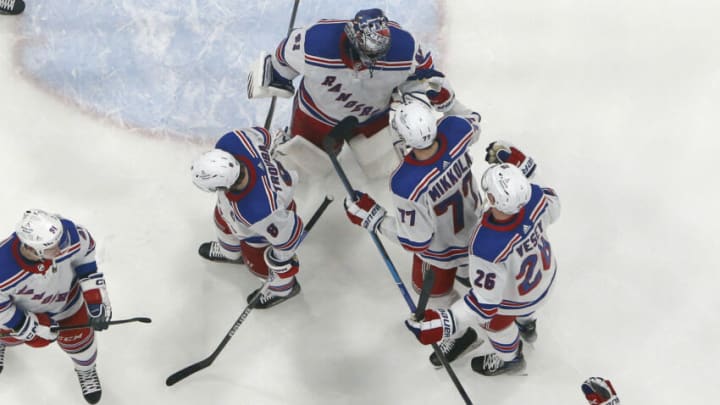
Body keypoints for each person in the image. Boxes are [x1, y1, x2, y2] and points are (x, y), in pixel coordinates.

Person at [248, 8, 471, 178]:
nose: (376, 62)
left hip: (373, 117)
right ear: (353, 39)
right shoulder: (314, 44)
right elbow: (280, 62)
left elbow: (420, 81)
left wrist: (417, 103)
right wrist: (275, 79)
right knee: (306, 168)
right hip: (316, 115)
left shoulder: (406, 49)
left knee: (381, 168)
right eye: (369, 55)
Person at [405, 143, 560, 376]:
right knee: (521, 298)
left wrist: (443, 322)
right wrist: (522, 168)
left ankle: (512, 359)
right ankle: (527, 325)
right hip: (546, 278)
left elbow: (484, 303)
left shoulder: (487, 243)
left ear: (491, 198)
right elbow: (554, 208)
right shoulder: (536, 197)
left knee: (494, 324)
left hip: (517, 297)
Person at [343, 93, 481, 311]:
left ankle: (456, 333)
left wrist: (375, 218)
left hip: (441, 253)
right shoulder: (455, 129)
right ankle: (467, 274)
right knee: (475, 266)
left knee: (432, 295)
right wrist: (449, 102)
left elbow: (415, 241)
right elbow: (473, 121)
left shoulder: (406, 182)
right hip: (478, 233)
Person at [0, 209, 112, 404]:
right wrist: (31, 326)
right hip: (24, 311)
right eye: (53, 247)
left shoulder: (69, 234)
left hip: (68, 302)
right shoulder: (2, 268)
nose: (61, 250)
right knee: (6, 334)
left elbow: (85, 256)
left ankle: (86, 370)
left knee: (81, 345)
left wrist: (95, 298)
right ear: (32, 249)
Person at [191, 127, 305, 309]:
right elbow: (265, 136)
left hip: (260, 232)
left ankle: (283, 290)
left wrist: (281, 260)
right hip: (235, 213)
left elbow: (289, 235)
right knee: (223, 225)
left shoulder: (259, 211)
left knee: (260, 266)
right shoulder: (233, 141)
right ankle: (232, 254)